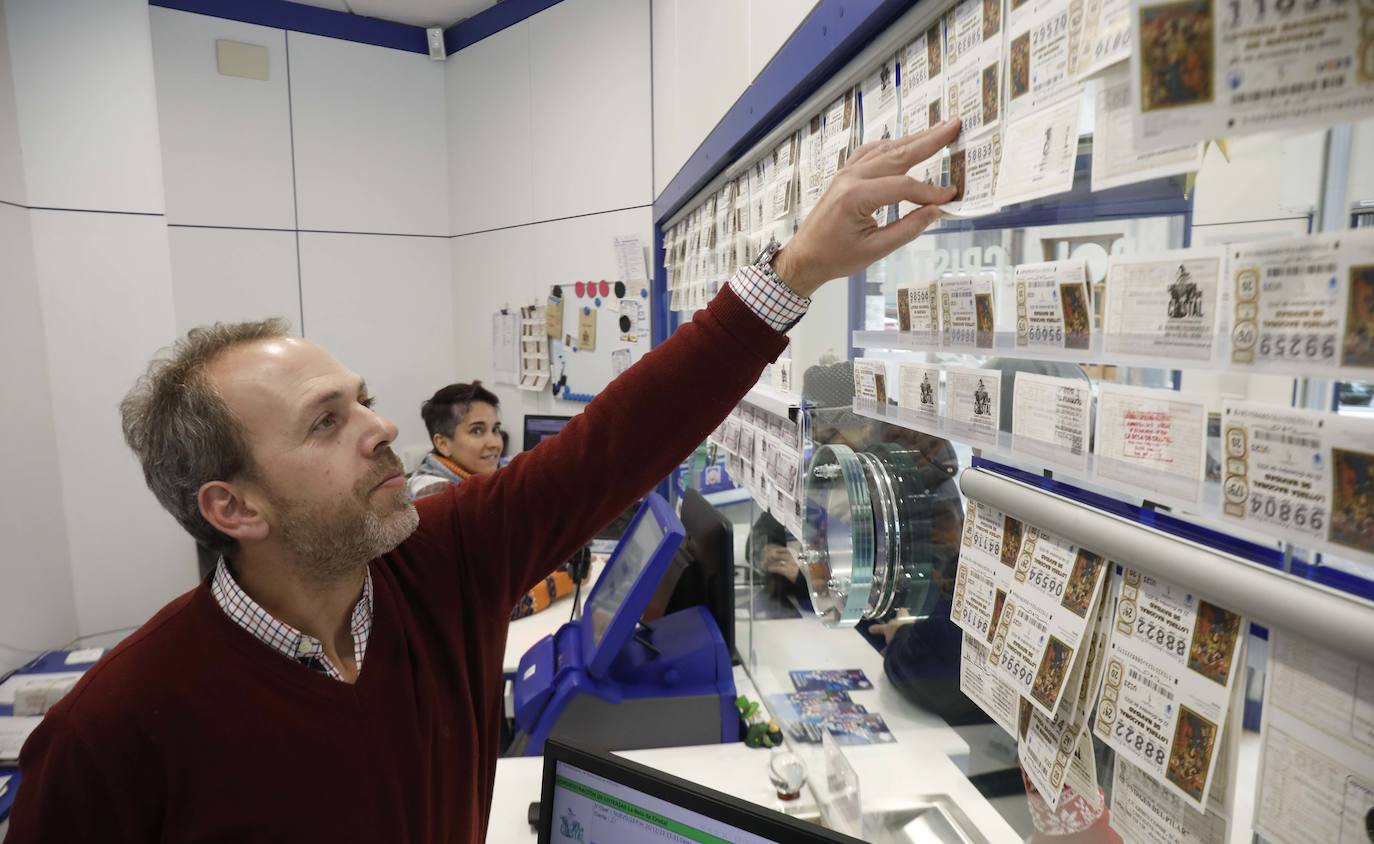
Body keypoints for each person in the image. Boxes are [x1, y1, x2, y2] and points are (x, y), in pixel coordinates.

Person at [4, 120, 962, 843]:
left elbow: (615, 442)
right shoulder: (112, 736)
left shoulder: (437, 564)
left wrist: (792, 272)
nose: (381, 430)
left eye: (362, 399)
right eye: (327, 423)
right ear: (232, 506)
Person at [409, 381, 576, 620]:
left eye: (495, 429)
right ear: (442, 443)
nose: (495, 443)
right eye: (477, 430)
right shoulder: (435, 498)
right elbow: (482, 605)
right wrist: (562, 582)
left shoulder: (474, 480)